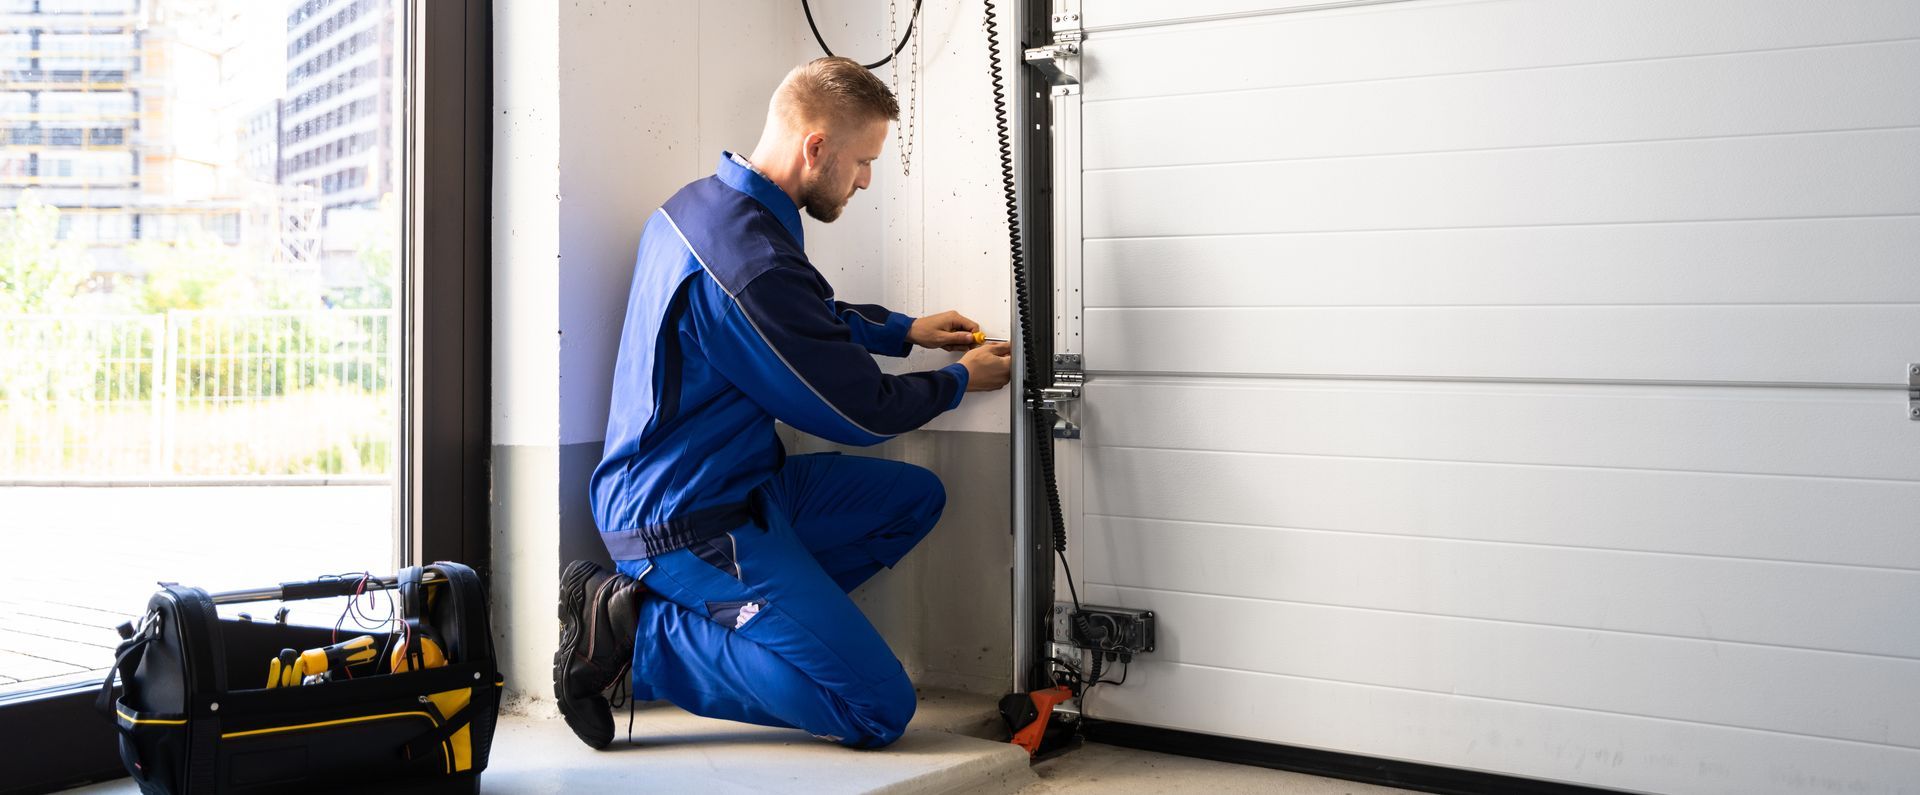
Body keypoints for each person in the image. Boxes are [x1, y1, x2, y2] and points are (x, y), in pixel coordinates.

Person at [554, 56, 1014, 751]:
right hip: (683, 522)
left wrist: (904, 330)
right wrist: (957, 380)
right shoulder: (748, 264)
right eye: (863, 161)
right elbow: (861, 412)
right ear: (817, 147)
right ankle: (638, 635)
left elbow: (802, 315)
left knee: (913, 499)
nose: (864, 179)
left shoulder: (703, 207)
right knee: (877, 708)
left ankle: (760, 628)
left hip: (744, 486)